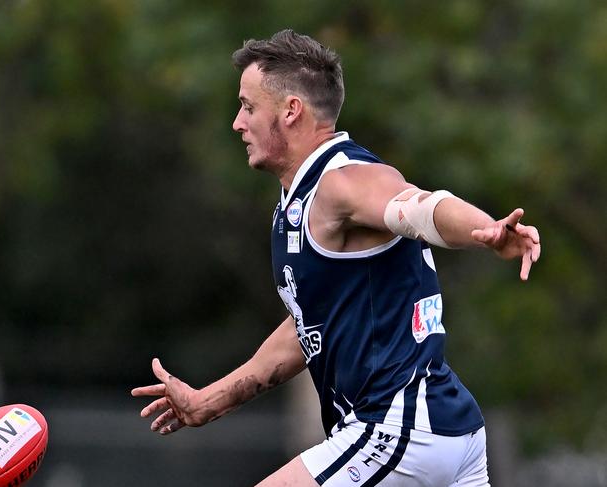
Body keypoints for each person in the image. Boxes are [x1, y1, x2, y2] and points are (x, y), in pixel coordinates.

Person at [131, 29, 541, 486]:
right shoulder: (298, 201)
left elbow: (419, 206)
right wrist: (209, 401)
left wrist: (485, 231)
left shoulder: (340, 180)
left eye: (248, 107)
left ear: (291, 111)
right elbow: (307, 328)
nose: (237, 123)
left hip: (402, 429)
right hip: (443, 430)